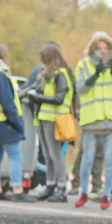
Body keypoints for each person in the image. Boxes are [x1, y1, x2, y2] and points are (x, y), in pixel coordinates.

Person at [74, 32, 112, 210]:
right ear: (93, 49)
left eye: (106, 49)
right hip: (91, 118)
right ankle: (83, 192)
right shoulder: (84, 64)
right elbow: (80, 89)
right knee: (87, 158)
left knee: (110, 159)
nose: (103, 52)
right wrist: (95, 75)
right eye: (99, 49)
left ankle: (107, 194)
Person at [0, 45, 34, 202]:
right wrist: (16, 123)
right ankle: (17, 190)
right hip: (4, 122)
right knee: (15, 156)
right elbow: (8, 103)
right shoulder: (0, 76)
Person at [25, 44, 74, 202]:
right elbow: (37, 89)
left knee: (55, 155)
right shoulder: (46, 75)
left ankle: (61, 188)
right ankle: (50, 185)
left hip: (55, 118)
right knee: (47, 155)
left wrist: (37, 98)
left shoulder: (61, 75)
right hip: (43, 118)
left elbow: (59, 98)